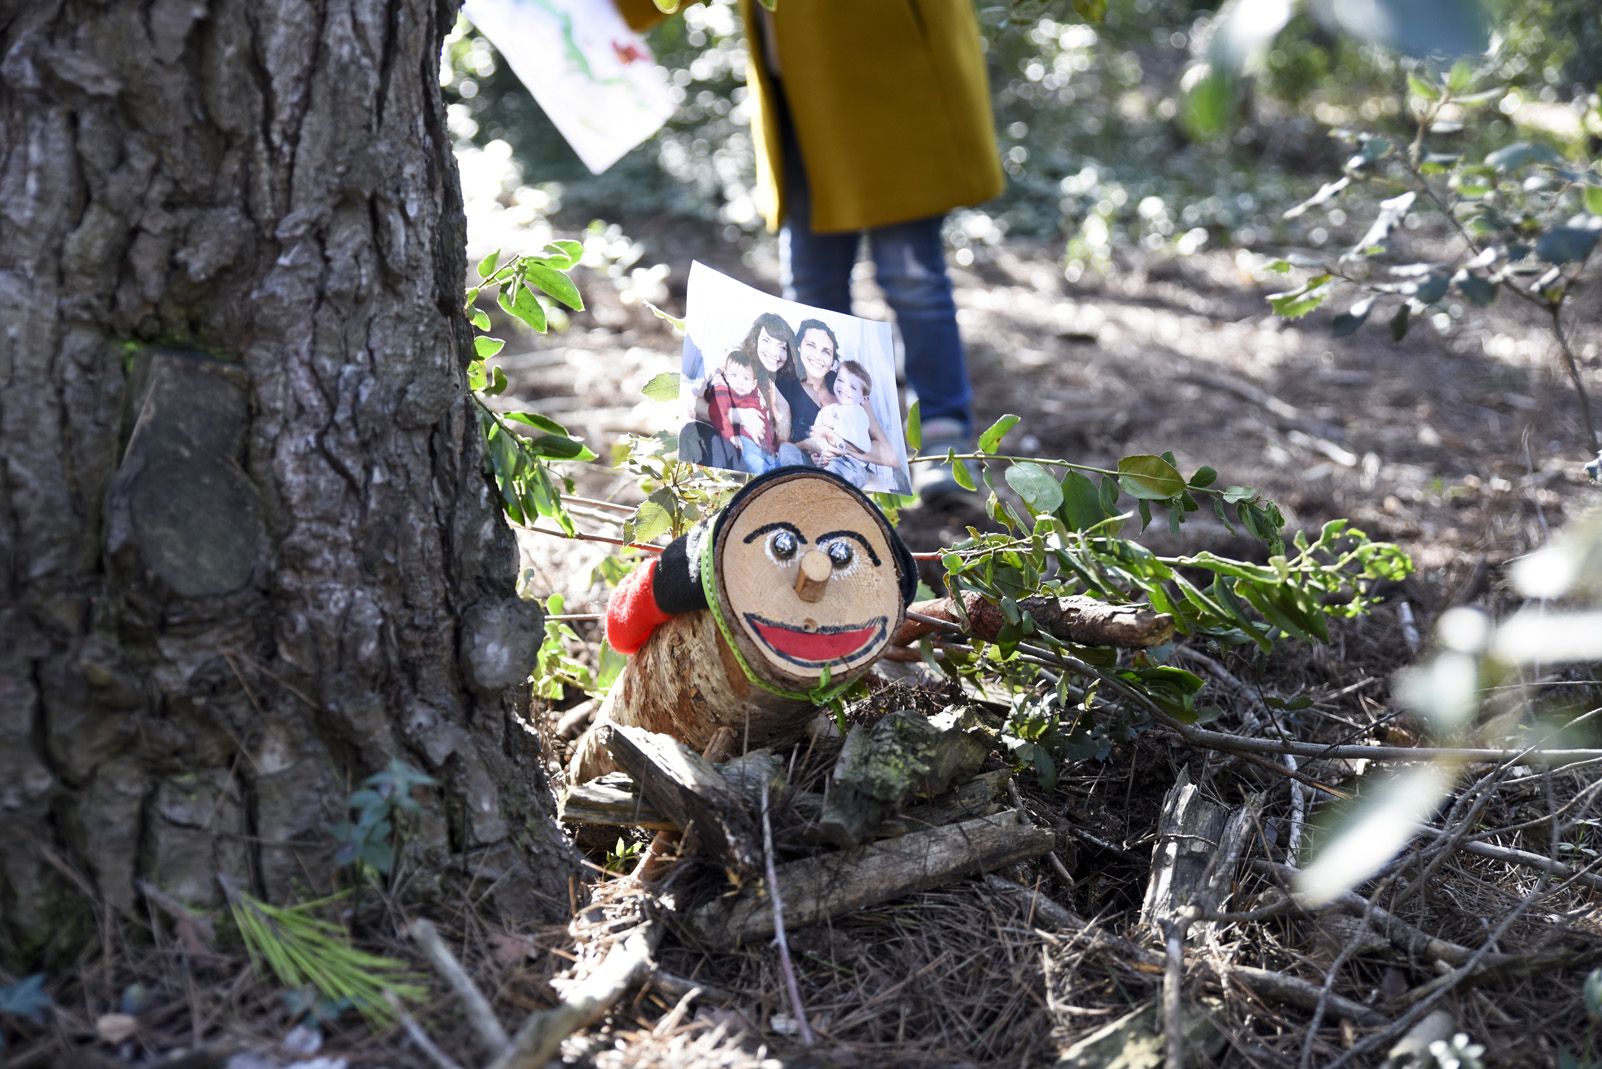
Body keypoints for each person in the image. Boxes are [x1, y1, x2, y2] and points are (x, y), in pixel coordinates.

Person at [616, 0, 1004, 502]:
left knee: (911, 277)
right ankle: (827, 460)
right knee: (812, 289)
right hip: (801, 91)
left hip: (893, 77)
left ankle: (944, 440)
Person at [704, 349, 776, 475]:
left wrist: (771, 447)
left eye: (746, 378)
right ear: (726, 376)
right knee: (756, 464)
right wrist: (731, 435)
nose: (740, 381)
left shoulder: (755, 397)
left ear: (753, 384)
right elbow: (719, 414)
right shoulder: (723, 392)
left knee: (776, 465)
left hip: (764, 447)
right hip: (743, 441)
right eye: (734, 375)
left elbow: (765, 422)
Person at [809, 360, 874, 489]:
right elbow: (816, 437)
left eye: (853, 388)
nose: (845, 388)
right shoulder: (827, 411)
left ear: (863, 398)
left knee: (849, 481)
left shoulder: (858, 413)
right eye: (841, 380)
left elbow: (863, 447)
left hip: (852, 465)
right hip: (828, 463)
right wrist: (815, 454)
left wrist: (834, 430)